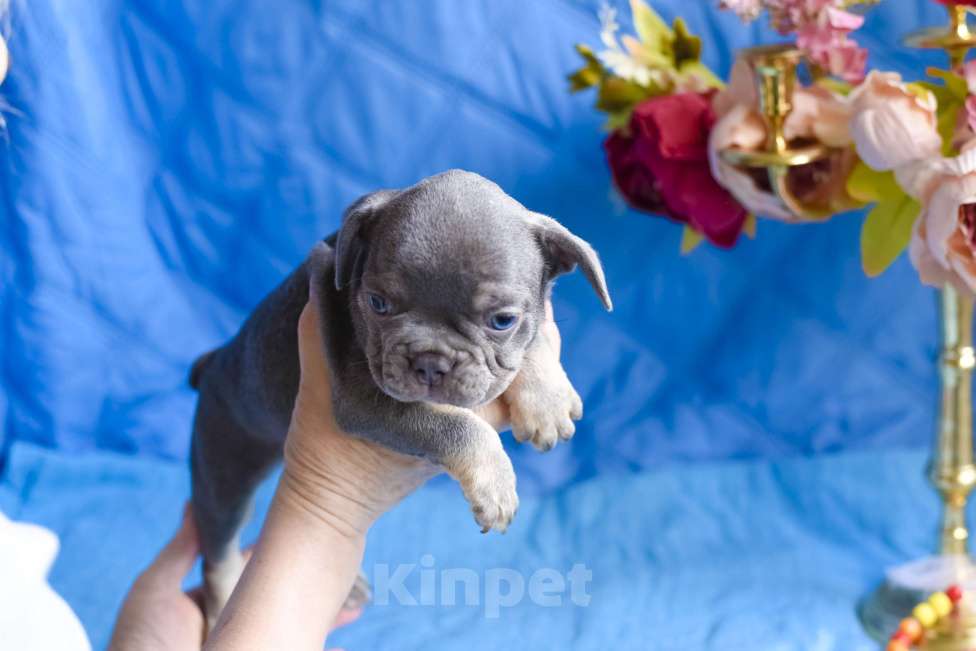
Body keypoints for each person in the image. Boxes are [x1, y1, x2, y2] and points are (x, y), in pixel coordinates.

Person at [109, 281, 515, 650]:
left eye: (499, 320)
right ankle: (223, 582)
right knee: (220, 524)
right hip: (235, 412)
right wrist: (327, 518)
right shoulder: (343, 272)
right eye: (383, 304)